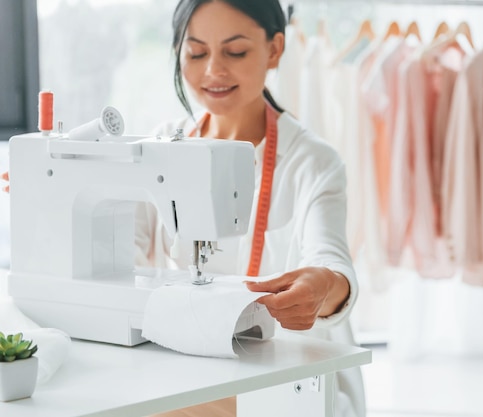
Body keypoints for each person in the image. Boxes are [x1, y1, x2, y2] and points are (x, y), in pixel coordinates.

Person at [2, 1, 365, 416]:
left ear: (275, 49)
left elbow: (331, 261)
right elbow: (126, 257)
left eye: (236, 51)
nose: (213, 70)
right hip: (185, 367)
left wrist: (325, 287)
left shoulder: (312, 162)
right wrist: (52, 209)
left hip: (293, 380)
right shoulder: (161, 146)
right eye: (195, 53)